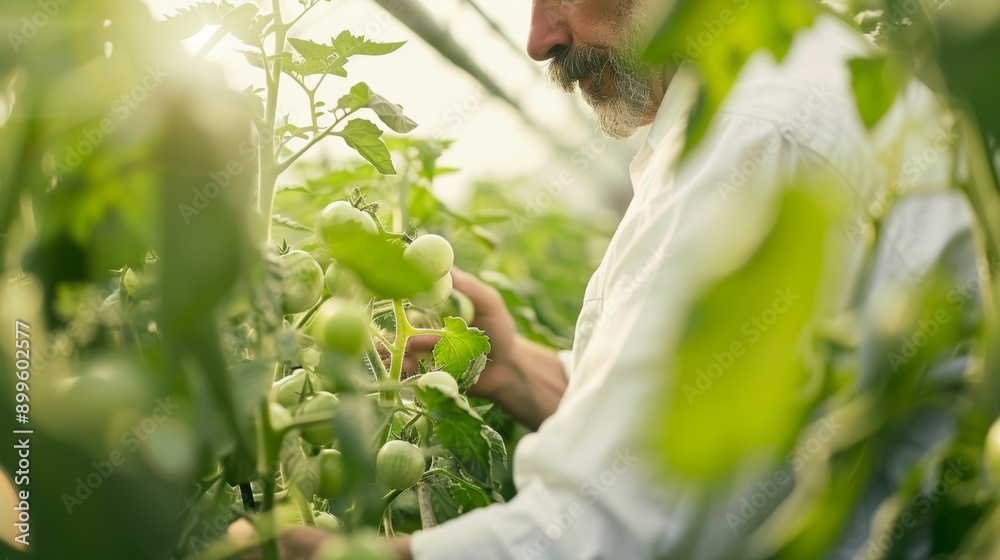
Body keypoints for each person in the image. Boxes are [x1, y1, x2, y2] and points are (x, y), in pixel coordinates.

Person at [246, 0, 975, 558]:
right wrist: (525, 375)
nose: (540, 39)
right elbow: (726, 428)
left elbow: (611, 536)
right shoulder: (796, 86)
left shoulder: (757, 133)